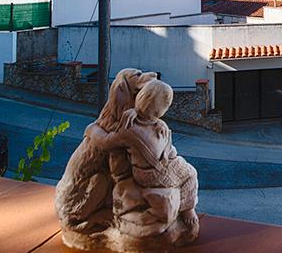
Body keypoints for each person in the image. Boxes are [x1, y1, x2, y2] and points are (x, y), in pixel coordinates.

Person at [85, 79, 198, 242]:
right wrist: (92, 129)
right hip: (153, 174)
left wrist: (136, 112)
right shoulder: (144, 128)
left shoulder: (139, 124)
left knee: (182, 167)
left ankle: (182, 209)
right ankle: (188, 210)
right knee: (190, 174)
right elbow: (105, 142)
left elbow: (108, 140)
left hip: (150, 169)